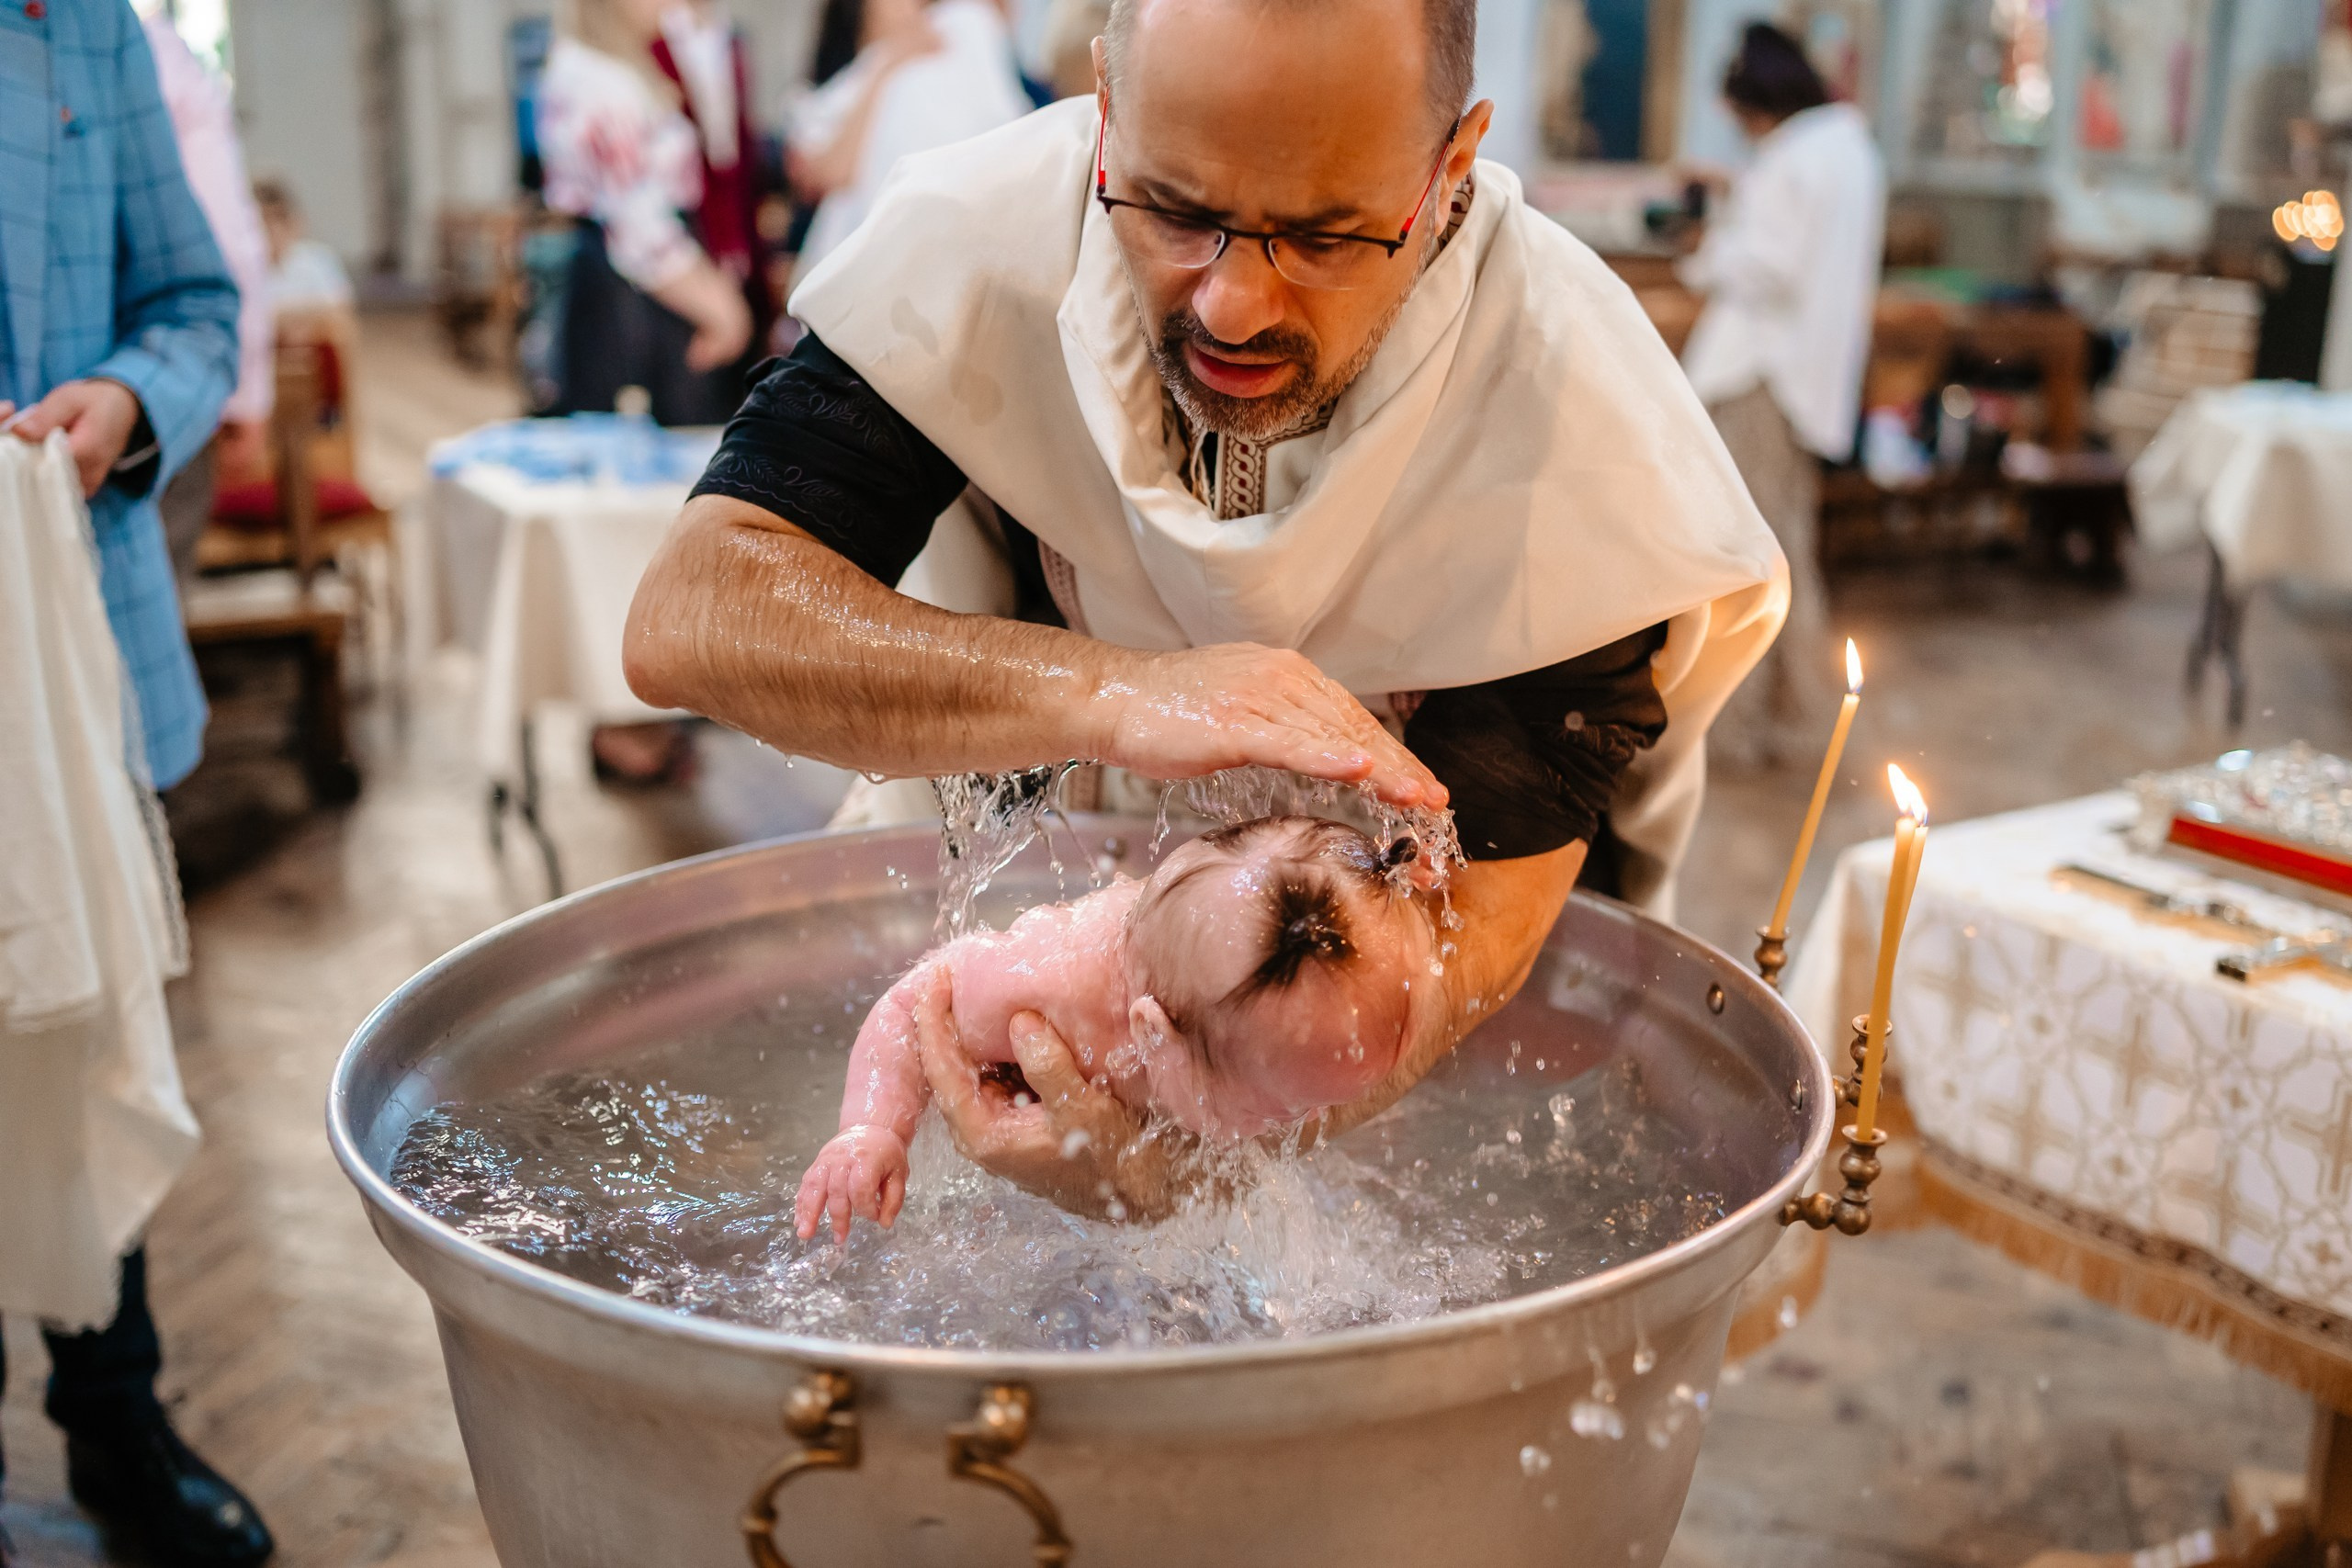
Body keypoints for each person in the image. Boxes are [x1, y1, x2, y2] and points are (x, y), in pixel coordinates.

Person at [625, 0, 1787, 1220]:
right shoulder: (988, 240)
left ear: (1452, 169)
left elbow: (1464, 949)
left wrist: (1191, 1153)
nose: (1232, 307)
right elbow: (697, 610)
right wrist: (1108, 694)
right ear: (1109, 115)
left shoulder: (1576, 420)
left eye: (1328, 234)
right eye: (1175, 211)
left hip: (1359, 1061)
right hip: (1002, 943)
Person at [0, 4, 272, 1564]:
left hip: (72, 631)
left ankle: (116, 1420)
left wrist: (125, 398)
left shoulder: (85, 27)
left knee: (93, 1013)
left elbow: (188, 297)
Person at [798, 817, 1435, 1237]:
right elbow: (914, 1003)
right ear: (1154, 1037)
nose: (1315, 1122)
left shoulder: (1237, 1009)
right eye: (1290, 1106)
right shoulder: (1045, 987)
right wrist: (872, 1128)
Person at [1678, 22, 1884, 770]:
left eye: (1744, 118)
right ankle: (1799, 722)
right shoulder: (1846, 147)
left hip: (1759, 376)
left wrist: (1707, 256)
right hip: (1801, 378)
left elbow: (1769, 264)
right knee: (1778, 547)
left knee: (1747, 556)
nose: (1746, 132)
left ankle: (1754, 731)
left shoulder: (1794, 159)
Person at [536, 0, 754, 423]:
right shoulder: (602, 80)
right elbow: (638, 229)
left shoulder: (603, 65)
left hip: (629, 282)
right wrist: (721, 309)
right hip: (632, 299)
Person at [140, 6, 275, 577]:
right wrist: (244, 388)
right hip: (149, 382)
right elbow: (222, 240)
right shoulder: (151, 55)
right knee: (146, 610)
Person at [786, 0, 1031, 274]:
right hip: (869, 253)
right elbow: (829, 173)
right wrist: (886, 65)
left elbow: (1009, 133)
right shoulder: (842, 86)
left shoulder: (961, 29)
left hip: (953, 237)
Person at [652, 0, 777, 346]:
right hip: (684, 224)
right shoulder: (653, 37)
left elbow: (736, 150)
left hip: (736, 222)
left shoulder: (731, 38)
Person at [252, 179, 356, 316]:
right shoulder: (240, 268)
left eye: (280, 218)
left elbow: (341, 314)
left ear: (295, 221)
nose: (273, 228)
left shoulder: (319, 260)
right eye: (264, 219)